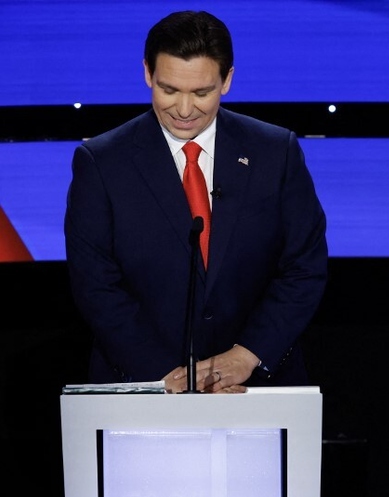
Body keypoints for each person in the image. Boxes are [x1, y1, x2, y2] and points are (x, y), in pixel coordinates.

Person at [65, 10, 328, 393]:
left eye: (201, 93)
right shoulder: (101, 163)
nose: (184, 110)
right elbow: (96, 287)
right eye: (169, 89)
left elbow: (305, 267)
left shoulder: (276, 152)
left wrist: (246, 355)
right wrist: (166, 378)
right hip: (143, 389)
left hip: (257, 388)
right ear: (147, 74)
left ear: (227, 80)